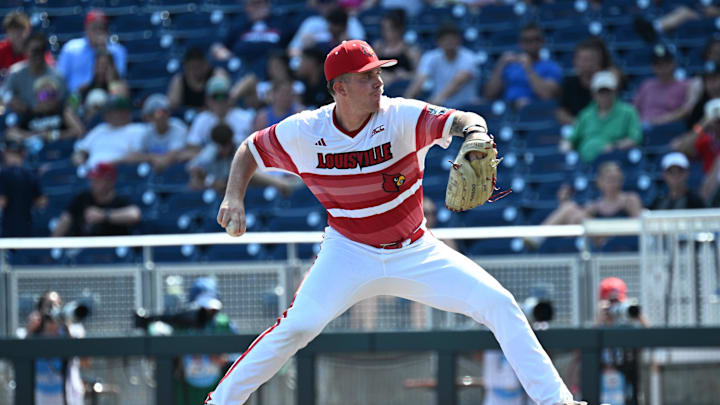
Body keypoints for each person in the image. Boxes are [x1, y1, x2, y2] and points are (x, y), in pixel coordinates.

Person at [206, 39, 581, 405]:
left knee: (499, 303)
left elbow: (462, 119)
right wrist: (233, 195)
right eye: (367, 76)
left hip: (415, 250)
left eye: (378, 73)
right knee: (297, 327)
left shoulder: (400, 115)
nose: (378, 82)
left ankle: (558, 401)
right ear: (340, 88)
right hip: (348, 252)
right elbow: (249, 150)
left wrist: (477, 133)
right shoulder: (306, 131)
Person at [525, 161, 643, 250]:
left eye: (617, 179)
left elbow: (641, 227)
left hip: (623, 241)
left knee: (571, 209)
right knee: (569, 208)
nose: (614, 183)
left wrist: (612, 233)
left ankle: (539, 236)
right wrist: (563, 201)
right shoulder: (594, 205)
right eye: (609, 180)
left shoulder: (630, 199)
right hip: (600, 243)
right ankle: (540, 237)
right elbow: (573, 220)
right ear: (599, 182)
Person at [24, 290, 86, 405]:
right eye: (48, 305)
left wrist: (66, 326)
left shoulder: (73, 330)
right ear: (40, 310)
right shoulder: (32, 334)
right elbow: (20, 355)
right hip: (40, 397)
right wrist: (30, 332)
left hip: (68, 396)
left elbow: (84, 359)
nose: (53, 309)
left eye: (57, 304)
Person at [564, 71, 642, 163]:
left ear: (615, 92)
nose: (604, 95)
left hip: (615, 161)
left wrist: (614, 146)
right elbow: (572, 139)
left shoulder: (629, 112)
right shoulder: (585, 114)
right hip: (586, 164)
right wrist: (566, 146)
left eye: (607, 91)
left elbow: (635, 138)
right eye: (601, 92)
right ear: (593, 94)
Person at [594, 277, 648, 405]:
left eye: (617, 301)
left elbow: (652, 339)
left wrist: (637, 314)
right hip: (602, 389)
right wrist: (599, 321)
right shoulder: (598, 326)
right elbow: (580, 356)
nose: (614, 308)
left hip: (628, 387)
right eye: (610, 302)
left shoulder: (630, 327)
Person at [484, 23, 562, 109]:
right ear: (520, 43)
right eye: (526, 40)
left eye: (535, 39)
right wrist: (500, 65)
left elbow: (547, 95)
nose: (531, 44)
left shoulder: (551, 67)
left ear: (542, 42)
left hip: (536, 111)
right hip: (508, 110)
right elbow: (489, 95)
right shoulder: (510, 66)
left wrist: (528, 68)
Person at [52, 162, 141, 237]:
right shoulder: (83, 198)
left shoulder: (120, 200)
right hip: (83, 251)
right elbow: (66, 219)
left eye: (98, 180)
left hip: (111, 251)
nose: (93, 183)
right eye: (92, 180)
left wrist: (103, 215)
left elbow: (134, 214)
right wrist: (51, 245)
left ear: (110, 181)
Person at [404, 23, 478, 108]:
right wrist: (405, 103)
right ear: (438, 42)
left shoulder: (469, 58)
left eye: (452, 39)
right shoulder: (430, 57)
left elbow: (458, 82)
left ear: (459, 40)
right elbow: (419, 81)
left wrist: (435, 101)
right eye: (445, 39)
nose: (449, 43)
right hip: (441, 107)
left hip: (467, 108)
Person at [57, 9, 127, 93]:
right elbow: (60, 78)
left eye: (102, 28)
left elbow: (117, 80)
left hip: (107, 96)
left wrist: (103, 49)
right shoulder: (71, 48)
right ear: (86, 28)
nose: (98, 32)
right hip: (75, 98)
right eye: (94, 27)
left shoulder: (117, 50)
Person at [2, 31, 66, 120]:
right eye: (34, 51)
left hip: (50, 118)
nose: (38, 55)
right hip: (22, 118)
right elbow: (4, 93)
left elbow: (63, 102)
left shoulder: (56, 75)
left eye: (41, 50)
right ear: (25, 51)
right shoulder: (16, 73)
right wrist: (12, 100)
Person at [556, 37, 619, 125]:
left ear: (599, 61)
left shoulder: (607, 81)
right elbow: (561, 112)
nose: (587, 64)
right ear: (575, 61)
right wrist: (581, 125)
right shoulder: (569, 83)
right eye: (584, 60)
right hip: (579, 128)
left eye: (591, 59)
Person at [185, 76, 254, 155]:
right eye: (215, 97)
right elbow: (192, 146)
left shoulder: (245, 117)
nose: (220, 101)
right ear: (207, 99)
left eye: (223, 96)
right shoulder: (201, 119)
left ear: (229, 98)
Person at [72, 95, 146, 169]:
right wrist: (80, 159)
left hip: (119, 173)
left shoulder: (138, 130)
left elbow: (138, 155)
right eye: (106, 112)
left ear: (125, 113)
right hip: (93, 174)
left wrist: (109, 164)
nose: (106, 115)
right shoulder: (100, 129)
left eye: (111, 112)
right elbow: (80, 151)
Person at [633, 44, 699, 126]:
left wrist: (659, 121)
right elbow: (633, 110)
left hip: (670, 129)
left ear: (674, 63)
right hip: (643, 128)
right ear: (653, 66)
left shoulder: (687, 84)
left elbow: (687, 109)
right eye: (658, 64)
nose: (663, 68)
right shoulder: (647, 85)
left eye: (666, 63)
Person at [5, 74, 84, 143]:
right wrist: (36, 136)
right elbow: (10, 134)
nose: (48, 99)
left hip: (61, 152)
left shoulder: (63, 111)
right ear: (37, 97)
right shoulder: (28, 113)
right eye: (44, 95)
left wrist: (53, 135)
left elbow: (79, 131)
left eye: (52, 95)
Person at [123, 93, 189, 171]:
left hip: (176, 171)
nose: (162, 116)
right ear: (148, 117)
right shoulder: (146, 132)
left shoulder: (178, 127)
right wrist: (152, 158)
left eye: (165, 112)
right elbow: (133, 155)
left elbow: (175, 153)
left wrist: (159, 160)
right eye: (158, 113)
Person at [0, 141, 47, 237]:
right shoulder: (31, 174)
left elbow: (2, 202)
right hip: (27, 225)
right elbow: (41, 202)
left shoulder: (3, 174)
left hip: (8, 228)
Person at [287, 0, 365, 57]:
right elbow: (291, 50)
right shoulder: (311, 22)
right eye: (322, 2)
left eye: (328, 1)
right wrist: (308, 50)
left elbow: (361, 48)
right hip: (312, 63)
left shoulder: (350, 21)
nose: (325, 6)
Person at [370, 9, 420, 87]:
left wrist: (406, 75)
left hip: (402, 87)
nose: (386, 32)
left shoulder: (411, 50)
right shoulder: (378, 48)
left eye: (390, 28)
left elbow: (420, 75)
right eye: (383, 29)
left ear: (399, 29)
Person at [672, 98, 720, 174]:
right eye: (717, 122)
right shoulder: (705, 140)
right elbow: (682, 147)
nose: (718, 125)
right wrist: (702, 125)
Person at [0, 10, 53, 79]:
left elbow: (49, 72)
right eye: (13, 30)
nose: (17, 34)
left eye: (21, 29)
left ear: (28, 30)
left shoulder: (37, 49)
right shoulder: (1, 49)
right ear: (7, 32)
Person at [168, 47, 222, 111]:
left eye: (199, 66)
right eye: (192, 67)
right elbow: (172, 105)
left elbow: (223, 99)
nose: (196, 71)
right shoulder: (179, 80)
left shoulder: (216, 75)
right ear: (186, 67)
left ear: (206, 64)